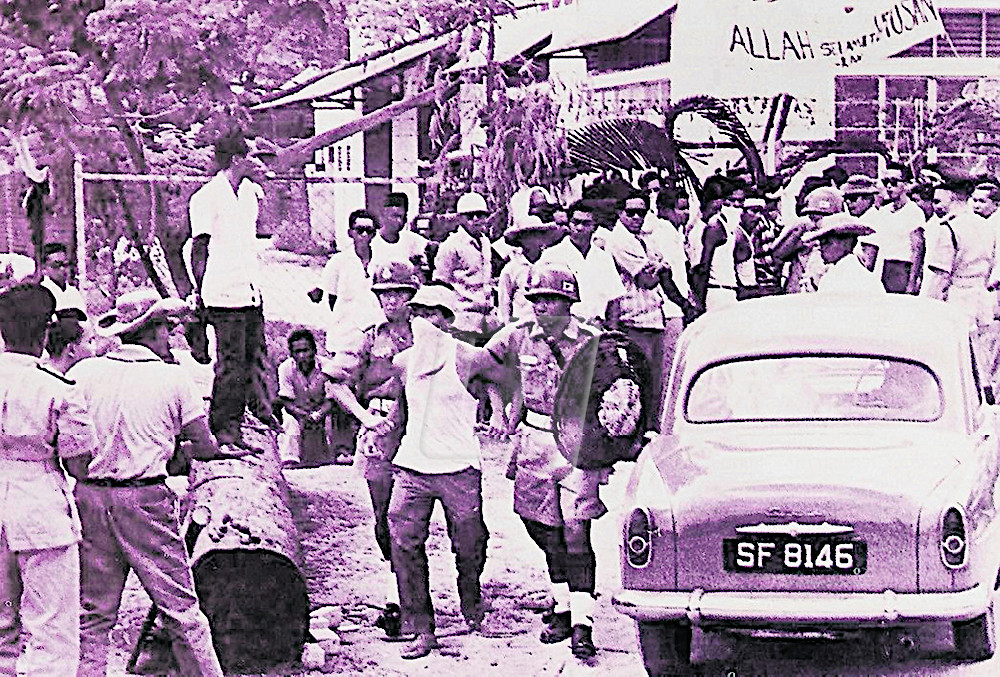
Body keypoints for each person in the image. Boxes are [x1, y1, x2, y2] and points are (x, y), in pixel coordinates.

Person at [67, 288, 256, 677]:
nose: (171, 336)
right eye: (168, 329)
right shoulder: (173, 379)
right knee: (181, 610)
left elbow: (70, 443)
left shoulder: (82, 374)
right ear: (152, 330)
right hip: (145, 496)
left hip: (91, 496)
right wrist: (183, 450)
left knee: (94, 614)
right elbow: (204, 445)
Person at [484, 264, 605, 660]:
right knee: (542, 527)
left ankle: (583, 621)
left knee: (576, 531)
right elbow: (481, 365)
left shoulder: (592, 340)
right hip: (534, 438)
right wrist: (500, 407)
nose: (541, 306)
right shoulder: (517, 336)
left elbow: (621, 383)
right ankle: (562, 603)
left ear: (569, 301)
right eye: (536, 299)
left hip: (577, 441)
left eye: (551, 299)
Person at [379, 284, 499, 659]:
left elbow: (505, 380)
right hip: (413, 465)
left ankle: (471, 598)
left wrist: (501, 415)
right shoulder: (403, 362)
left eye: (431, 313)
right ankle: (421, 626)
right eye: (417, 312)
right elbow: (402, 407)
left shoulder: (469, 357)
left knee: (470, 541)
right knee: (403, 541)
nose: (423, 320)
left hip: (459, 466)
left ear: (447, 320)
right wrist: (380, 428)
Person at [0, 284, 97, 677]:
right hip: (39, 506)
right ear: (45, 333)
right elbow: (79, 465)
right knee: (51, 632)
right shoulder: (56, 388)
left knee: (1, 629)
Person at [324, 261, 420, 638]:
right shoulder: (369, 337)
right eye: (384, 294)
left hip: (420, 424)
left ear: (411, 295)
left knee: (413, 515)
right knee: (384, 517)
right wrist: (365, 416)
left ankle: (416, 598)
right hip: (382, 428)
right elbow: (334, 382)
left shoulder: (426, 332)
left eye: (398, 293)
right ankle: (399, 593)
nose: (390, 301)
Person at [189, 129, 272, 447]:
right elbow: (199, 248)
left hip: (250, 290)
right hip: (223, 293)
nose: (256, 161)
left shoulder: (250, 193)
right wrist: (200, 293)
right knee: (230, 363)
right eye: (250, 156)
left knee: (251, 361)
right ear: (237, 159)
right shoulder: (206, 198)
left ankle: (240, 422)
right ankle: (223, 428)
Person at [598, 191, 669, 427]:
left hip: (652, 317)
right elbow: (647, 279)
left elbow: (659, 270)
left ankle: (649, 429)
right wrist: (660, 267)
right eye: (631, 213)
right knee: (638, 383)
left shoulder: (645, 239)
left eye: (641, 212)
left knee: (655, 383)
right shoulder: (619, 240)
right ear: (620, 213)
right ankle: (638, 432)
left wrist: (659, 268)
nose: (637, 217)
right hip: (633, 320)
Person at [539, 201, 625, 327]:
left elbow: (614, 299)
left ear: (595, 227)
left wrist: (610, 330)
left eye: (586, 223)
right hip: (563, 328)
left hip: (597, 326)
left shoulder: (604, 258)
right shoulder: (551, 256)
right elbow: (542, 300)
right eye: (575, 222)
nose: (579, 228)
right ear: (569, 223)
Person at [433, 192, 495, 346]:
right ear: (460, 218)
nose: (475, 219)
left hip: (487, 318)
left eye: (480, 215)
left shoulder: (485, 242)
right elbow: (441, 283)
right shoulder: (451, 245)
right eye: (470, 216)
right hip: (462, 318)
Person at [275, 329, 335, 468]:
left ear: (314, 350)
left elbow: (332, 398)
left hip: (323, 410)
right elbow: (286, 400)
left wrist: (318, 414)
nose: (302, 355)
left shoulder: (327, 367)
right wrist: (303, 415)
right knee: (290, 423)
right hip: (297, 411)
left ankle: (340, 454)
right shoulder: (285, 368)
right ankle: (290, 459)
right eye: (297, 352)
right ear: (291, 354)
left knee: (334, 419)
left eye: (305, 350)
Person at [771, 185, 844, 293]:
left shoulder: (842, 236)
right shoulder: (802, 229)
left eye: (825, 216)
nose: (819, 221)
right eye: (813, 217)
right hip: (799, 289)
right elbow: (777, 254)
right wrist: (798, 240)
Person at [866, 163, 926, 293]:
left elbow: (917, 249)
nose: (889, 186)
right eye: (885, 182)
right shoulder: (883, 211)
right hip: (882, 267)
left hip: (902, 268)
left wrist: (912, 282)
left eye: (894, 182)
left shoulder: (914, 212)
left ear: (906, 184)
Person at [497, 215, 562, 324]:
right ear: (520, 239)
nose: (533, 239)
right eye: (527, 235)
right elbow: (505, 302)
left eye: (537, 234)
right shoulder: (512, 268)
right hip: (521, 322)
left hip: (546, 323)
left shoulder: (551, 264)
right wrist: (508, 326)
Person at [801, 215, 883, 294]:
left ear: (846, 242)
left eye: (826, 241)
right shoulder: (836, 272)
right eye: (821, 242)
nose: (821, 247)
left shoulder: (844, 275)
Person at [373, 192, 429, 276]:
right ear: (383, 215)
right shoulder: (372, 241)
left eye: (402, 217)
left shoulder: (416, 241)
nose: (399, 221)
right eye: (394, 216)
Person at [840, 174, 882, 272]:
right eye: (846, 198)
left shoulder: (871, 221)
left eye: (853, 198)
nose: (848, 202)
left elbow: (868, 264)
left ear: (868, 199)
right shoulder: (861, 219)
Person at [39, 242, 89, 320]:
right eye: (56, 265)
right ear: (44, 268)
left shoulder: (73, 292)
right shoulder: (41, 293)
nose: (62, 269)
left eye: (65, 265)